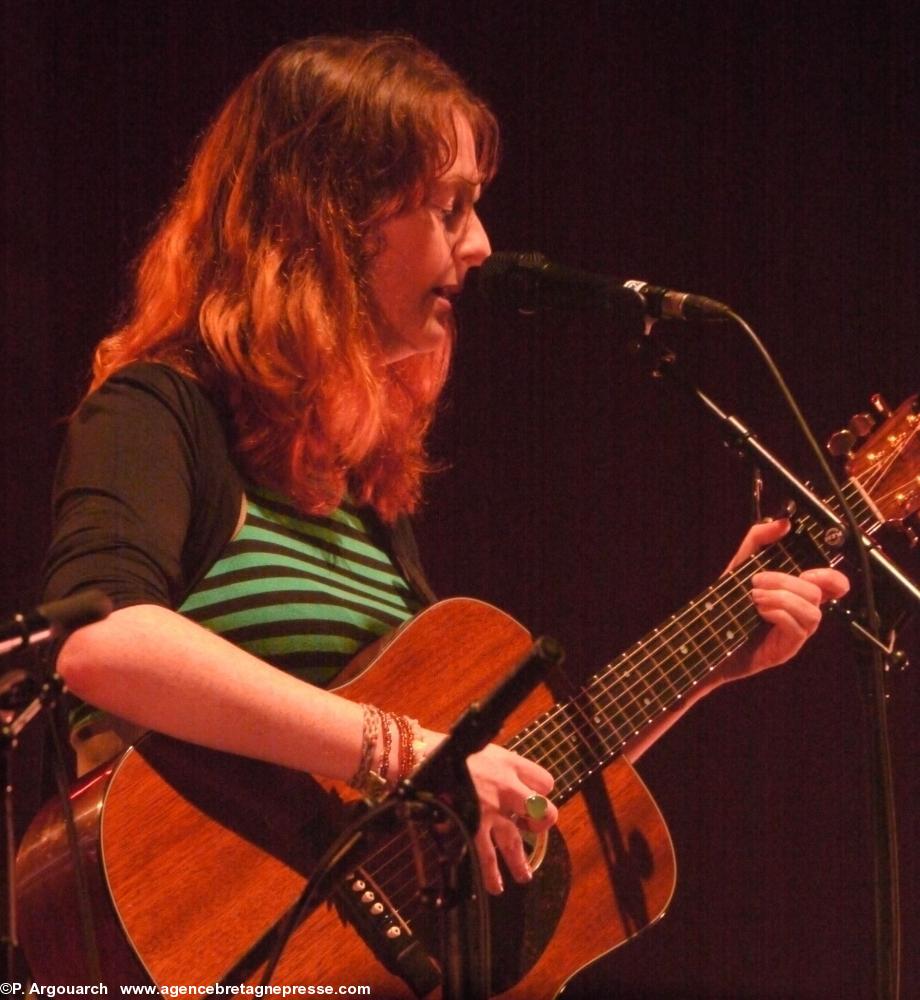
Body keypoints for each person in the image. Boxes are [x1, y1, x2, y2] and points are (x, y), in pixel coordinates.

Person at [42, 34, 848, 903]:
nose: (480, 244)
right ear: (330, 214)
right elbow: (101, 643)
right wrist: (403, 749)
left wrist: (707, 664)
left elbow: (500, 801)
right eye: (450, 206)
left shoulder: (367, 500)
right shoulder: (159, 411)